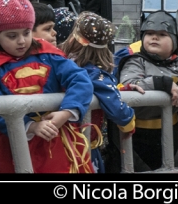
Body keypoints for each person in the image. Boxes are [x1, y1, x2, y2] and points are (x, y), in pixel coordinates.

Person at [0, 0, 94, 173]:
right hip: (15, 147)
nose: (22, 41)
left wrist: (65, 113)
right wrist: (31, 126)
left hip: (55, 142)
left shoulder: (50, 56)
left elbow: (80, 80)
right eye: (12, 36)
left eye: (26, 32)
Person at [59, 12, 138, 173]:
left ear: (74, 37)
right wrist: (129, 122)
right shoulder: (94, 74)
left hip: (59, 142)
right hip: (81, 147)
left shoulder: (60, 62)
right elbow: (117, 108)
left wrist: (120, 89)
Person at [115, 10, 178, 172]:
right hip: (138, 134)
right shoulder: (135, 61)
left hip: (173, 132)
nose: (155, 37)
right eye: (150, 33)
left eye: (162, 34)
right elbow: (128, 84)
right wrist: (161, 83)